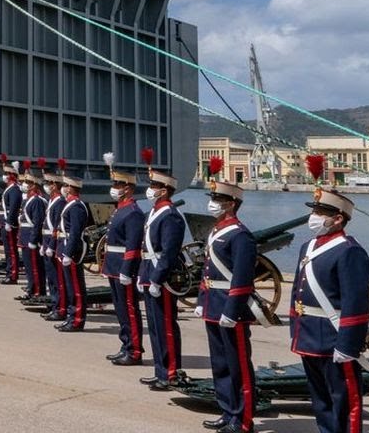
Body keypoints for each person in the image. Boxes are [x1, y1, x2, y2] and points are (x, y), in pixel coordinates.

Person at [290, 182, 369, 433]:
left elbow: (356, 302)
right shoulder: (309, 247)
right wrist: (296, 330)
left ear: (337, 219)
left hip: (334, 337)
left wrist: (348, 345)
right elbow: (298, 291)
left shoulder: (350, 251)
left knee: (344, 402)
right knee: (321, 400)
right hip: (309, 335)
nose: (314, 218)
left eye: (320, 213)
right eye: (314, 211)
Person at [196, 179, 258, 433]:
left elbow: (243, 278)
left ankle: (243, 420)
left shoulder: (240, 235)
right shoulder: (216, 230)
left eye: (218, 200)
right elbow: (207, 270)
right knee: (220, 363)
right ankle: (227, 410)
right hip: (213, 304)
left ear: (231, 204)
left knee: (238, 366)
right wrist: (201, 301)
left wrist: (232, 311)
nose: (213, 204)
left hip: (231, 309)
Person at [138, 169, 186, 391]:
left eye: (154, 186)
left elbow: (168, 252)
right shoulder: (153, 213)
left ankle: (170, 372)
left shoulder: (171, 215)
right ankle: (160, 370)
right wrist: (142, 275)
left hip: (162, 278)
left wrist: (157, 279)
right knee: (155, 327)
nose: (150, 190)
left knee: (165, 325)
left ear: (164, 190)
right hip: (149, 272)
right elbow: (145, 249)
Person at [103, 170, 145, 365]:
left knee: (129, 308)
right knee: (120, 309)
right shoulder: (121, 208)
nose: (114, 189)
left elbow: (133, 244)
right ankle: (125, 344)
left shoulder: (133, 212)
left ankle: (134, 350)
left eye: (118, 185)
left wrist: (127, 270)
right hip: (113, 264)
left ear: (127, 188)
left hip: (123, 266)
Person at [56, 174, 89, 332]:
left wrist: (68, 253)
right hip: (66, 246)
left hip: (73, 250)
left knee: (76, 287)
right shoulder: (70, 204)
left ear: (70, 187)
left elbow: (75, 232)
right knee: (70, 287)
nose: (63, 188)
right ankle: (71, 316)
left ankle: (77, 319)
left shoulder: (76, 206)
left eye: (65, 185)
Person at [40, 173, 66, 321]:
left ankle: (59, 307)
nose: (46, 186)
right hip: (47, 241)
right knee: (51, 279)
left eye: (48, 183)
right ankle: (54, 305)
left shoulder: (59, 202)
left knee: (57, 280)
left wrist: (51, 245)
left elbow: (56, 226)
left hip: (53, 243)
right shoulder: (52, 200)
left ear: (55, 185)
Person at [17, 170, 46, 301]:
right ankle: (31, 288)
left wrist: (33, 240)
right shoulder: (29, 199)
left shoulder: (37, 201)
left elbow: (37, 222)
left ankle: (37, 291)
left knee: (35, 267)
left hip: (30, 238)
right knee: (29, 266)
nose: (25, 184)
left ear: (34, 184)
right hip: (25, 236)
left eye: (28, 182)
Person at [0, 162, 22, 285]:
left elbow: (13, 207)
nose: (5, 176)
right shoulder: (10, 188)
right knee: (8, 251)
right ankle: (9, 272)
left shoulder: (14, 189)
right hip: (4, 222)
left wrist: (9, 221)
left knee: (12, 251)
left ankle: (12, 275)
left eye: (7, 173)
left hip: (9, 224)